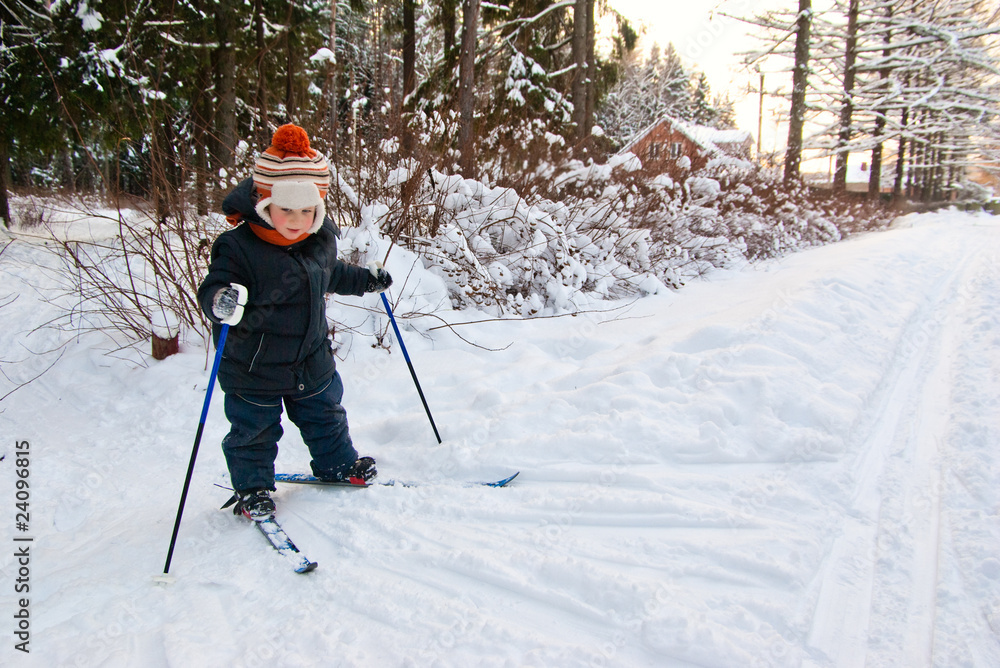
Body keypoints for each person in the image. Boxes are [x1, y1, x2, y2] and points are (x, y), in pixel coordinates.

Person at [197, 123, 392, 521]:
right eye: (286, 209)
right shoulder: (238, 246)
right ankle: (252, 488)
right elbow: (215, 287)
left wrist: (366, 280)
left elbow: (331, 273)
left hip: (310, 357)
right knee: (254, 431)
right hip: (253, 365)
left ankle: (337, 465)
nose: (297, 219)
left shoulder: (318, 240)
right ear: (263, 204)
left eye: (308, 210)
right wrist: (222, 300)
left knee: (326, 416)